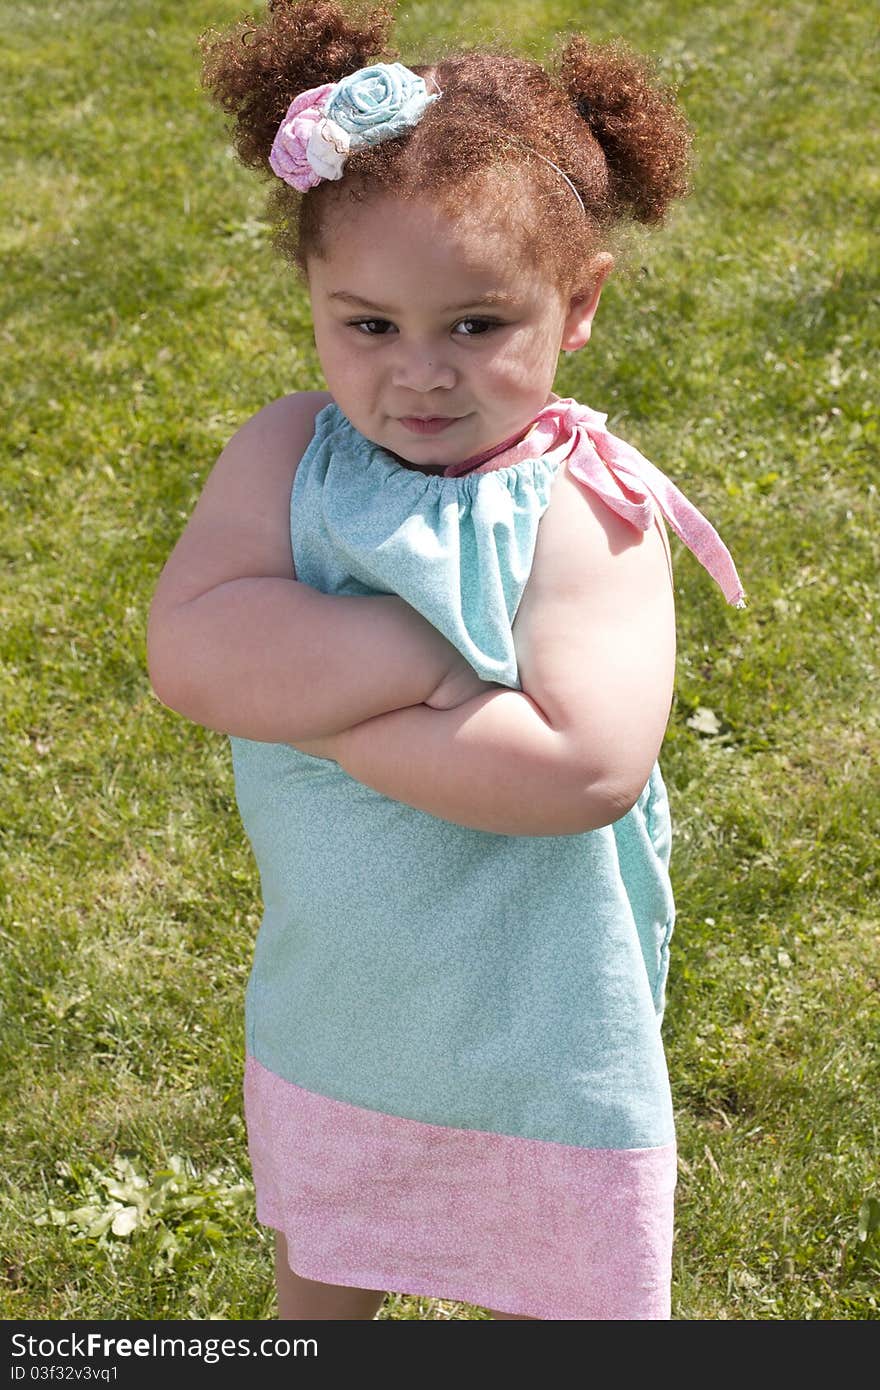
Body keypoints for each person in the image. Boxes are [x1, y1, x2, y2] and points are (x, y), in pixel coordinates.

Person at [147, 0, 745, 1321]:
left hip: (539, 1038)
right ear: (313, 298)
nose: (418, 374)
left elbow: (583, 764)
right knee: (327, 1273)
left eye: (476, 325)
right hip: (344, 1011)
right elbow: (191, 650)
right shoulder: (285, 456)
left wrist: (331, 709)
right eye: (368, 326)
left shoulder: (583, 507)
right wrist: (426, 657)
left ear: (576, 305)